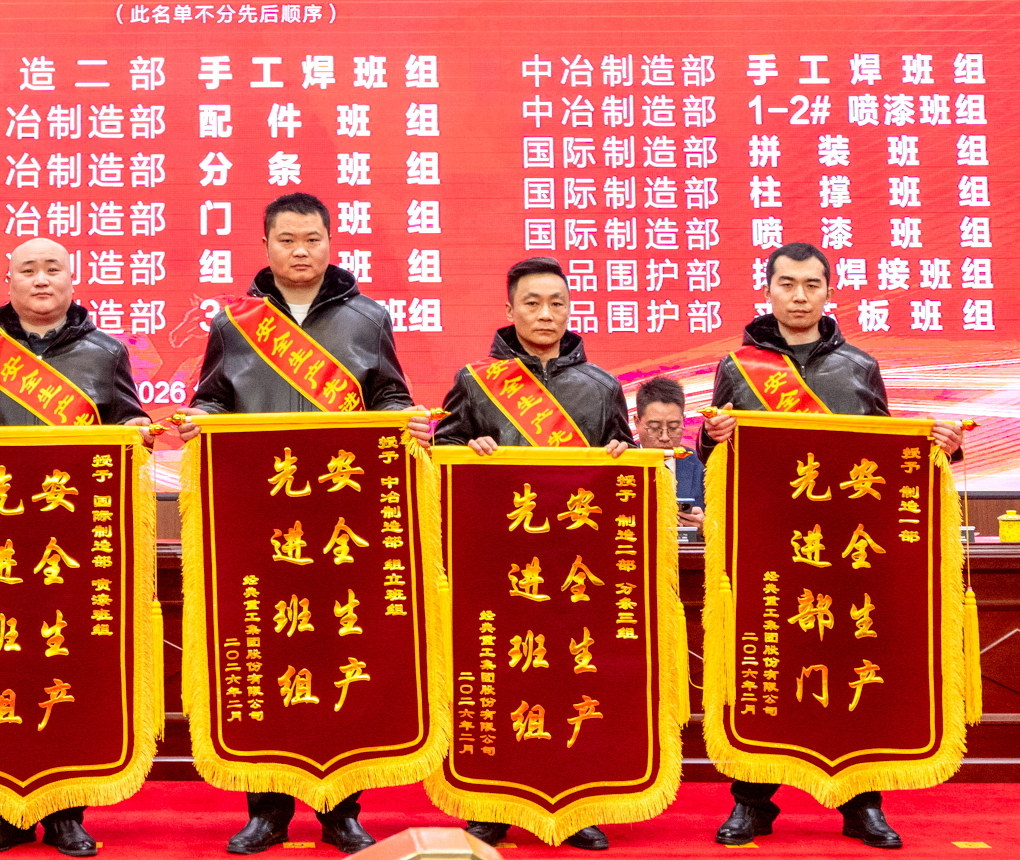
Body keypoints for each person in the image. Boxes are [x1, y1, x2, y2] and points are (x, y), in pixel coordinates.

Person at [700, 241, 964, 850]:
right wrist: (713, 438)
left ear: (828, 291)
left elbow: (887, 457)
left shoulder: (858, 366)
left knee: (852, 663)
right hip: (768, 546)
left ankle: (862, 803)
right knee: (764, 663)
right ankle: (752, 801)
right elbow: (717, 460)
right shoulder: (737, 368)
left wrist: (941, 449)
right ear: (768, 290)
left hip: (849, 551)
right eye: (787, 284)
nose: (799, 296)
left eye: (811, 285)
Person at [177, 193, 417, 855]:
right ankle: (267, 811)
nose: (301, 251)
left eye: (312, 238)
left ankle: (341, 811)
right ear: (266, 246)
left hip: (343, 521)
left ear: (331, 242)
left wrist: (402, 420)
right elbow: (212, 398)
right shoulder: (234, 322)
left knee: (341, 652)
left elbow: (390, 395)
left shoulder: (367, 318)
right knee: (265, 652)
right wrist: (201, 420)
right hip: (261, 515)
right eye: (287, 240)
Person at [0, 237, 153, 858]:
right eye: (27, 270)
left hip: (74, 544)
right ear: (8, 283)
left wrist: (135, 431)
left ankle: (66, 813)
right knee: (0, 666)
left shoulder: (105, 352)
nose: (40, 279)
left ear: (72, 279)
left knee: (67, 665)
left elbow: (127, 422)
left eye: (52, 268)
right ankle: (7, 810)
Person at [432, 256, 634, 853]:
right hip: (500, 563)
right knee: (498, 675)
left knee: (575, 678)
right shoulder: (476, 381)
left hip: (576, 565)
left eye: (557, 303)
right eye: (532, 303)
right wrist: (467, 446)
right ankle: (490, 806)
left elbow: (626, 468)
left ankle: (577, 806)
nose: (545, 314)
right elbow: (440, 454)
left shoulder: (601, 386)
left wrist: (621, 456)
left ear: (570, 309)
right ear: (510, 310)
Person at [633, 376, 704, 525]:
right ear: (637, 422)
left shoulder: (702, 466)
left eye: (673, 427)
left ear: (683, 420)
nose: (665, 437)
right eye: (654, 428)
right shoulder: (620, 463)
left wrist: (706, 526)